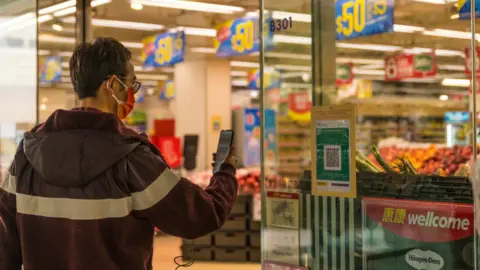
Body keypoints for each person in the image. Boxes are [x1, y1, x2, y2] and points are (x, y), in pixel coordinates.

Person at [0, 37, 238, 270]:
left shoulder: (26, 155)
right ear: (113, 85)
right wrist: (224, 171)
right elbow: (200, 216)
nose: (132, 94)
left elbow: (5, 246)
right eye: (131, 85)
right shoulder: (134, 159)